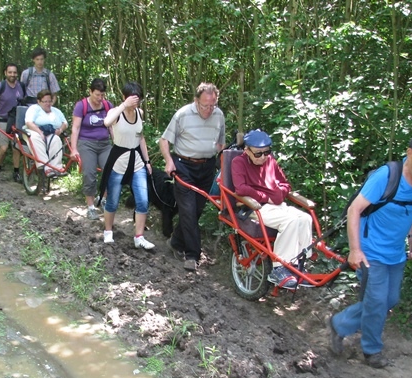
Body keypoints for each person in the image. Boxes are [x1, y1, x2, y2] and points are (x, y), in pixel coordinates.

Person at [329, 132, 412, 368]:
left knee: (389, 299)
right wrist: (355, 250)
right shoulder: (386, 176)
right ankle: (372, 351)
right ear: (409, 153)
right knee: (376, 301)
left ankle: (339, 324)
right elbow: (354, 210)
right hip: (370, 250)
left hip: (395, 251)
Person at [231, 130, 313, 289]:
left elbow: (285, 185)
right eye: (258, 153)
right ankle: (280, 268)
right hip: (255, 207)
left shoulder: (270, 162)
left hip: (277, 206)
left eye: (266, 152)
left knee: (305, 218)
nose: (263, 157)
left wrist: (279, 193)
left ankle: (299, 264)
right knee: (291, 221)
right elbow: (240, 189)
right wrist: (265, 197)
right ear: (247, 150)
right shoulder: (238, 162)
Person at [160, 82, 225, 271]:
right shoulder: (183, 115)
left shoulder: (219, 115)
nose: (209, 109)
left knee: (195, 210)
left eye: (212, 105)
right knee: (187, 210)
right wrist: (169, 161)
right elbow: (164, 140)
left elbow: (220, 144)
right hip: (183, 165)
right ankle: (192, 255)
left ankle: (176, 242)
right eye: (205, 105)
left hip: (206, 167)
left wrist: (224, 167)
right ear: (196, 101)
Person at [98, 82, 154, 249]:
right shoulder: (115, 113)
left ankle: (139, 236)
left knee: (143, 200)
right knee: (113, 199)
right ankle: (108, 232)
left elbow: (140, 137)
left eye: (138, 100)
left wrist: (147, 161)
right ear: (125, 97)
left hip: (136, 159)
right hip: (118, 160)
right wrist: (124, 105)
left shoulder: (140, 113)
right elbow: (107, 123)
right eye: (132, 99)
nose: (135, 103)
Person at [70, 78, 114, 220]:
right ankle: (90, 207)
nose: (100, 98)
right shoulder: (81, 106)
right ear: (90, 92)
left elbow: (112, 127)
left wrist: (117, 144)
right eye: (97, 95)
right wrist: (74, 149)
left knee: (110, 171)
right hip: (86, 143)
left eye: (102, 95)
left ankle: (103, 198)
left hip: (104, 144)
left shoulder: (108, 106)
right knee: (89, 173)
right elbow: (75, 128)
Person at [24, 89, 68, 178]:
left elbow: (65, 123)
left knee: (56, 139)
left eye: (49, 101)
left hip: (50, 133)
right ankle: (46, 167)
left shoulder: (56, 111)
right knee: (35, 137)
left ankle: (56, 168)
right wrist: (40, 132)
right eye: (45, 102)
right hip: (34, 131)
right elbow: (29, 123)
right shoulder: (34, 109)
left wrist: (60, 130)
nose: (48, 104)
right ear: (39, 101)